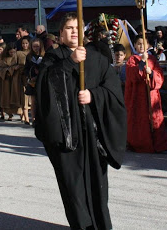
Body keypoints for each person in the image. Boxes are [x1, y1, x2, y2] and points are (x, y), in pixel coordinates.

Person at [34, 12, 126, 230]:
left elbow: (113, 91)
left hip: (94, 133)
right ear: (60, 34)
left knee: (98, 186)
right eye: (69, 28)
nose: (74, 32)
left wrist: (94, 96)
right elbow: (44, 88)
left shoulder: (97, 58)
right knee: (73, 187)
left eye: (78, 27)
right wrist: (69, 63)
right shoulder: (53, 58)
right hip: (67, 135)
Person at [125, 35, 167, 153]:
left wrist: (151, 74)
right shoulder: (132, 59)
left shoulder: (153, 59)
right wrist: (141, 65)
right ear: (134, 45)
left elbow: (159, 76)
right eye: (138, 43)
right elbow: (132, 76)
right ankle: (139, 143)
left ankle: (158, 144)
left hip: (151, 95)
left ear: (148, 45)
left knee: (154, 118)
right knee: (139, 119)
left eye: (144, 43)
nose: (141, 46)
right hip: (137, 96)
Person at [24, 38, 45, 125]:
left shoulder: (44, 56)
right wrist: (30, 76)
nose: (36, 48)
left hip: (41, 80)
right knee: (33, 101)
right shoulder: (29, 57)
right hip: (32, 80)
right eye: (34, 46)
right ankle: (33, 118)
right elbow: (26, 69)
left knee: (41, 100)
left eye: (37, 46)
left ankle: (42, 118)